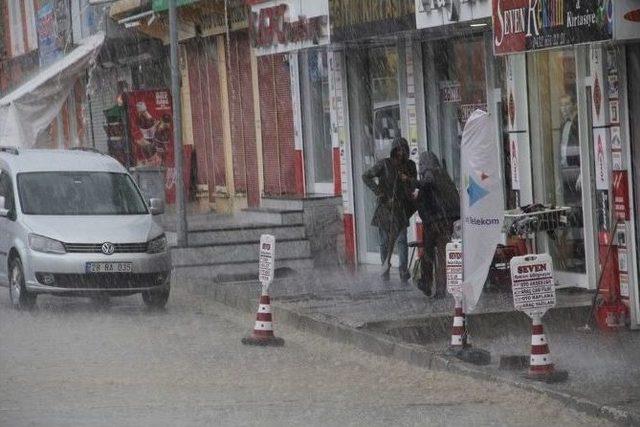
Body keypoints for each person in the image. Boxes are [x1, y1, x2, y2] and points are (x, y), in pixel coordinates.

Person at [362, 137, 417, 282]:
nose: (401, 153)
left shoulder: (410, 166)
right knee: (384, 241)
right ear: (393, 151)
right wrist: (379, 192)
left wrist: (407, 180)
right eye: (398, 150)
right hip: (385, 207)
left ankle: (403, 271)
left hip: (400, 209)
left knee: (401, 240)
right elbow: (366, 176)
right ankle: (384, 267)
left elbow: (413, 186)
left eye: (404, 150)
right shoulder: (385, 164)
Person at [414, 152, 460, 298]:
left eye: (421, 164)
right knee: (442, 255)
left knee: (429, 254)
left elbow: (428, 182)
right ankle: (439, 288)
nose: (420, 167)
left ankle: (427, 283)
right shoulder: (444, 176)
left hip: (435, 221)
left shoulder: (430, 174)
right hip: (446, 221)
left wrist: (412, 183)